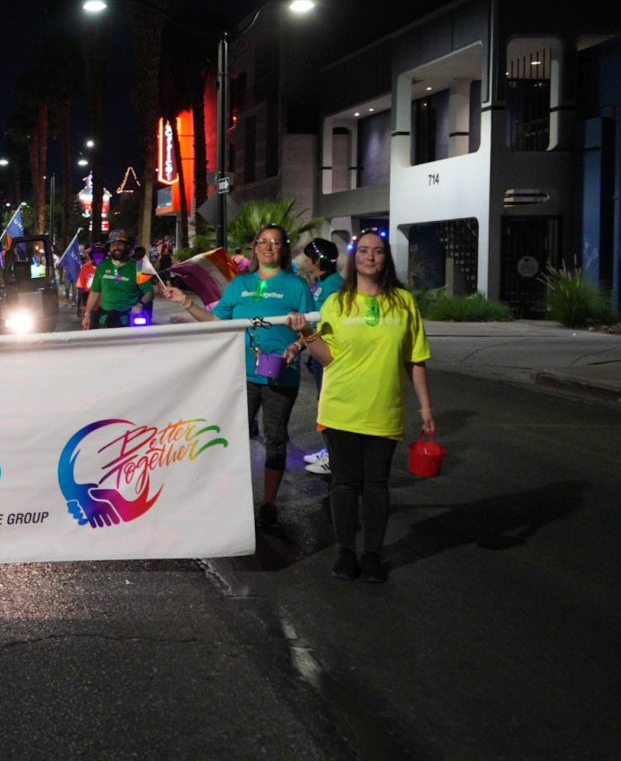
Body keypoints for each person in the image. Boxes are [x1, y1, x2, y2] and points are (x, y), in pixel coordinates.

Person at [286, 228, 434, 583]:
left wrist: (426, 410)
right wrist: (307, 333)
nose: (370, 257)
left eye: (378, 251)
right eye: (364, 251)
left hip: (384, 409)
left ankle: (372, 555)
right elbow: (328, 359)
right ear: (355, 259)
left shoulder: (403, 302)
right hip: (341, 408)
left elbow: (416, 360)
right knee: (344, 484)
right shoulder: (336, 302)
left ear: (386, 258)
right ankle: (346, 553)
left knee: (377, 485)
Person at [159, 224, 314, 527]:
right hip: (239, 374)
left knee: (276, 439)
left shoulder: (296, 286)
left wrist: (297, 346)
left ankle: (269, 502)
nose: (269, 247)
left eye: (276, 242)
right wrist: (185, 302)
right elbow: (216, 322)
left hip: (280, 376)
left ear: (284, 248)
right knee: (232, 436)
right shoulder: (240, 284)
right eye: (263, 242)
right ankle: (228, 498)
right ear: (255, 248)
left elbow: (312, 330)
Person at [299, 237, 344, 473]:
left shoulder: (334, 285)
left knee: (328, 403)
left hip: (329, 352)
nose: (305, 262)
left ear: (318, 260)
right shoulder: (323, 283)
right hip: (318, 351)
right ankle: (330, 450)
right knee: (323, 402)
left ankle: (335, 457)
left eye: (308, 258)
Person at [81, 230, 153, 330]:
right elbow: (94, 292)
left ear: (127, 246)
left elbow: (149, 291)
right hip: (105, 317)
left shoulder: (138, 266)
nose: (116, 247)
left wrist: (140, 304)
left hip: (128, 317)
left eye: (120, 244)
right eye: (113, 245)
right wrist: (87, 313)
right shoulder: (102, 266)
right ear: (109, 248)